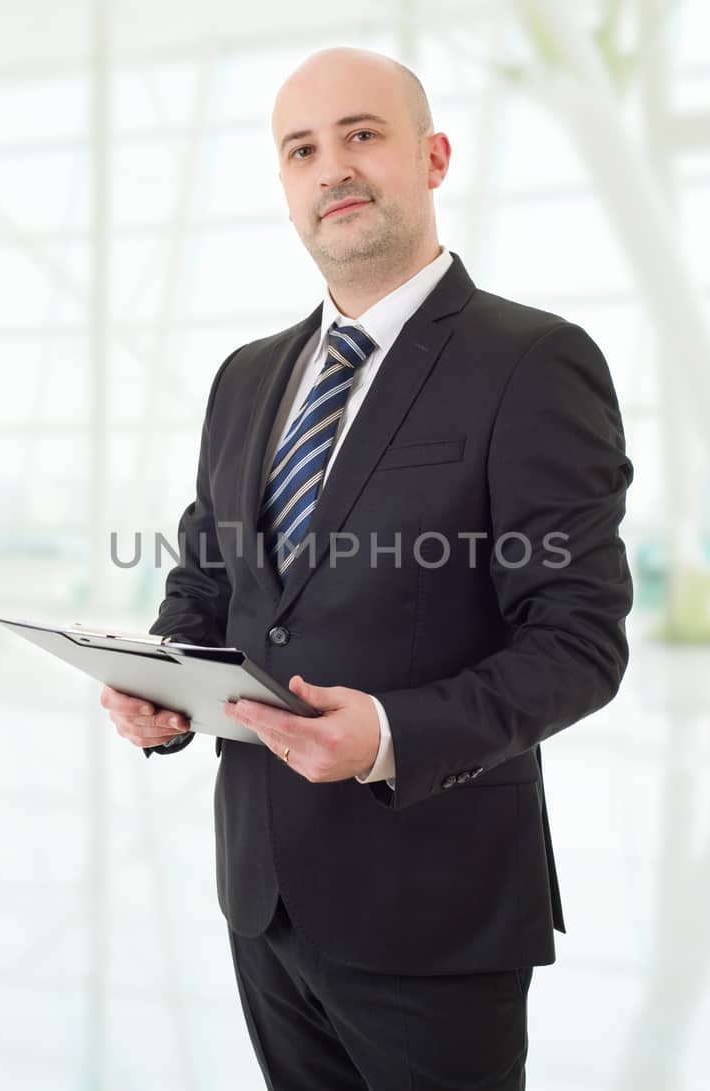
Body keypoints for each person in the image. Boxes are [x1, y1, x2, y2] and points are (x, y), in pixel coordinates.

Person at [100, 46, 632, 1090]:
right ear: (287, 187)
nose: (331, 167)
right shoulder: (245, 379)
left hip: (435, 901)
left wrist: (390, 734)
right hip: (264, 891)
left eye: (361, 135)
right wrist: (159, 680)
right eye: (302, 150)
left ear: (432, 157)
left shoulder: (531, 362)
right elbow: (210, 579)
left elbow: (578, 642)